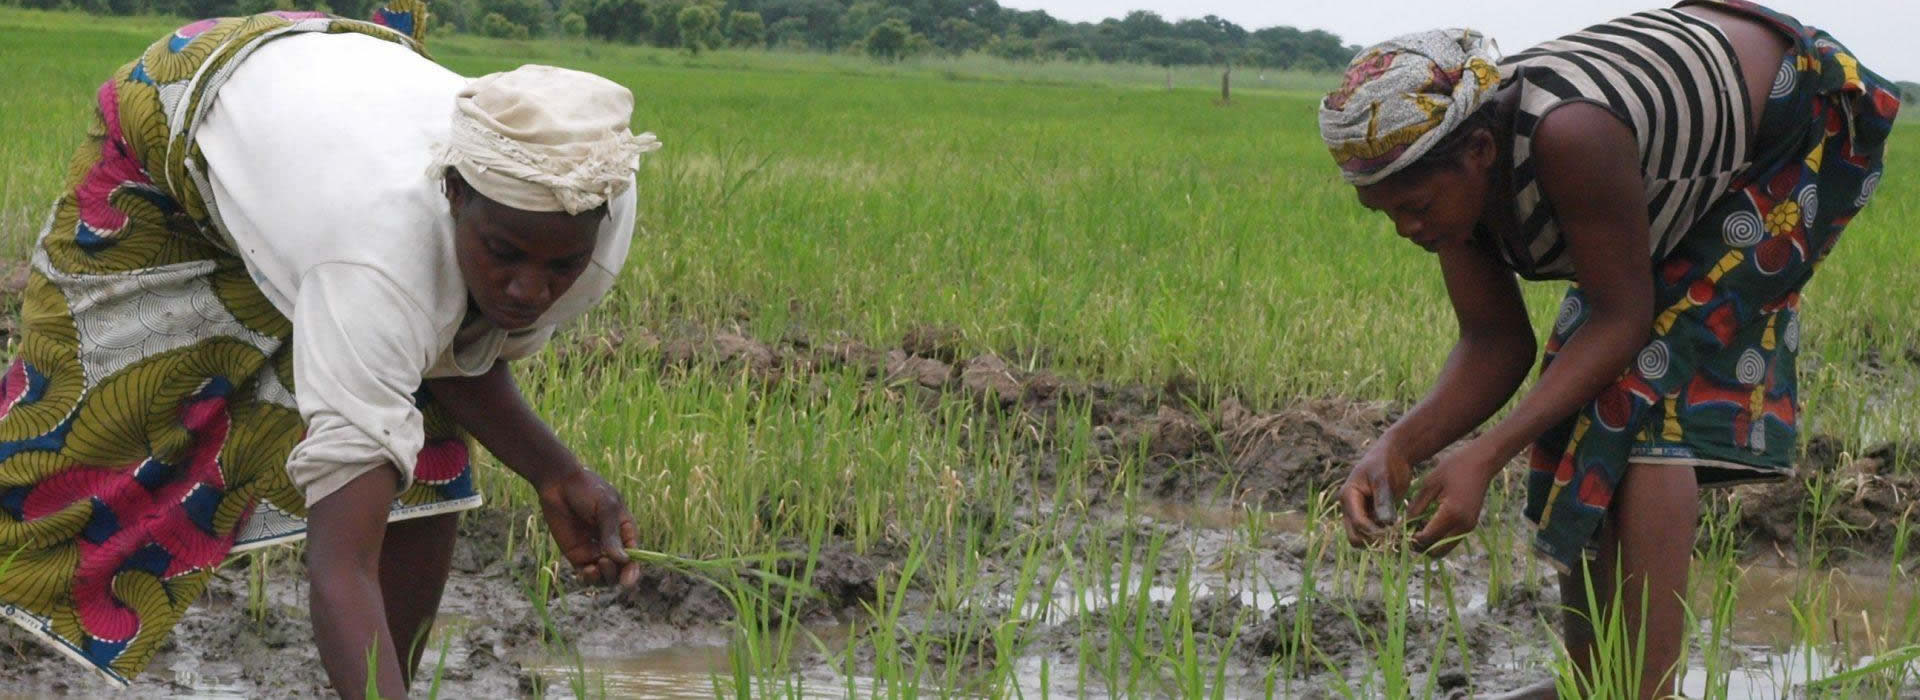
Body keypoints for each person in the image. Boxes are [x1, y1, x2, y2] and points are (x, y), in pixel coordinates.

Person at [0, 4, 662, 697]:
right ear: (454, 191)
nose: (530, 290)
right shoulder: (375, 262)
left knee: (428, 448)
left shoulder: (589, 196)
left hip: (340, 127)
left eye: (560, 267)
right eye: (503, 253)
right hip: (190, 105)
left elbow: (443, 347)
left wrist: (556, 474)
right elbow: (342, 564)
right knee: (65, 434)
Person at [1319, 1, 1898, 696]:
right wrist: (1399, 447)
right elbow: (1495, 343)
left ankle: (1643, 689)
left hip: (1794, 117)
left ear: (1479, 153)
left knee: (1643, 391)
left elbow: (1622, 320)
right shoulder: (1455, 182)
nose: (1405, 229)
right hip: (1683, 125)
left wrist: (1484, 456)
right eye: (1385, 213)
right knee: (1574, 386)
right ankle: (1596, 682)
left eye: (1413, 207)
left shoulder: (1570, 134)